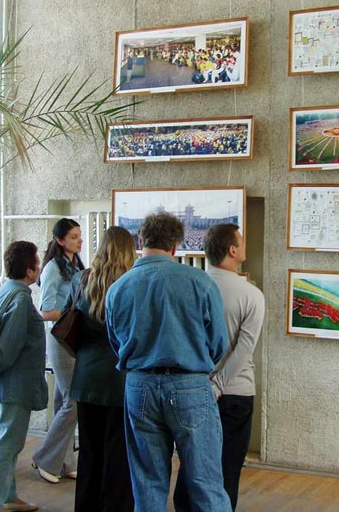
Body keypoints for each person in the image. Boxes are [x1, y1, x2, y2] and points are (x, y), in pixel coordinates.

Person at [106, 212, 232, 512]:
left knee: (147, 483)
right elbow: (219, 342)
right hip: (189, 383)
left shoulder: (118, 288)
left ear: (141, 240)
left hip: (139, 384)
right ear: (176, 245)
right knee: (206, 484)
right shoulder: (199, 282)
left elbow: (116, 342)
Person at [174, 223, 265, 511]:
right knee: (227, 469)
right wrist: (219, 384)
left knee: (191, 462)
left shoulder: (189, 286)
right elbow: (244, 349)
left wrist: (206, 382)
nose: (245, 246)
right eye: (242, 241)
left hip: (193, 387)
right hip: (235, 391)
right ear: (232, 250)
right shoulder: (251, 294)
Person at [69, 227, 136, 512]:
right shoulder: (132, 283)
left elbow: (71, 321)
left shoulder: (81, 280)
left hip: (86, 376)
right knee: (118, 455)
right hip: (121, 378)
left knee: (89, 451)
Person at [0, 241, 47, 512]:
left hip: (3, 383)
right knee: (8, 446)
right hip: (14, 385)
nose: (39, 267)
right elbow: (10, 346)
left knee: (7, 442)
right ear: (29, 270)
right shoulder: (20, 299)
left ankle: (8, 496)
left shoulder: (4, 292)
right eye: (37, 263)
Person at [32, 218, 84, 484]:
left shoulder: (76, 265)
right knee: (72, 401)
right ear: (61, 240)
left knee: (63, 400)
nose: (80, 240)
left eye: (79, 235)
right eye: (74, 237)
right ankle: (45, 458)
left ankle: (64, 461)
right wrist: (72, 311)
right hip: (60, 337)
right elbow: (45, 311)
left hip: (73, 337)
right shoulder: (53, 268)